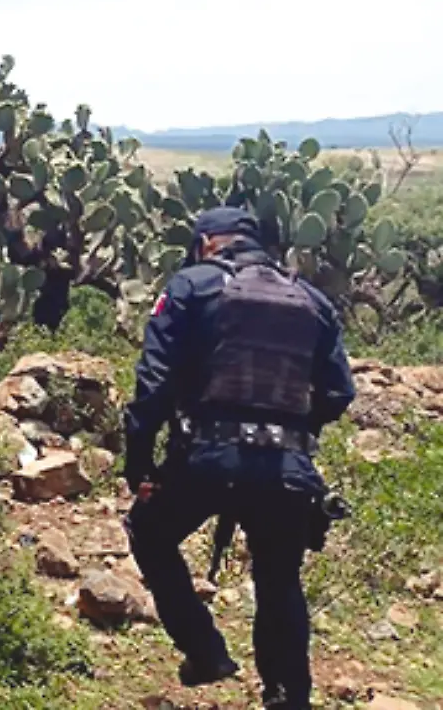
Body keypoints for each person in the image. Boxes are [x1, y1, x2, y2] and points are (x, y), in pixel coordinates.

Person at [123, 206, 355, 710]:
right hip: (288, 468)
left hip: (209, 458)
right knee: (278, 580)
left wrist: (139, 463)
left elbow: (154, 384)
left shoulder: (191, 285)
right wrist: (293, 427)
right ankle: (288, 696)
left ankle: (205, 651)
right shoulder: (312, 299)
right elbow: (339, 392)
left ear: (208, 242)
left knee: (150, 530)